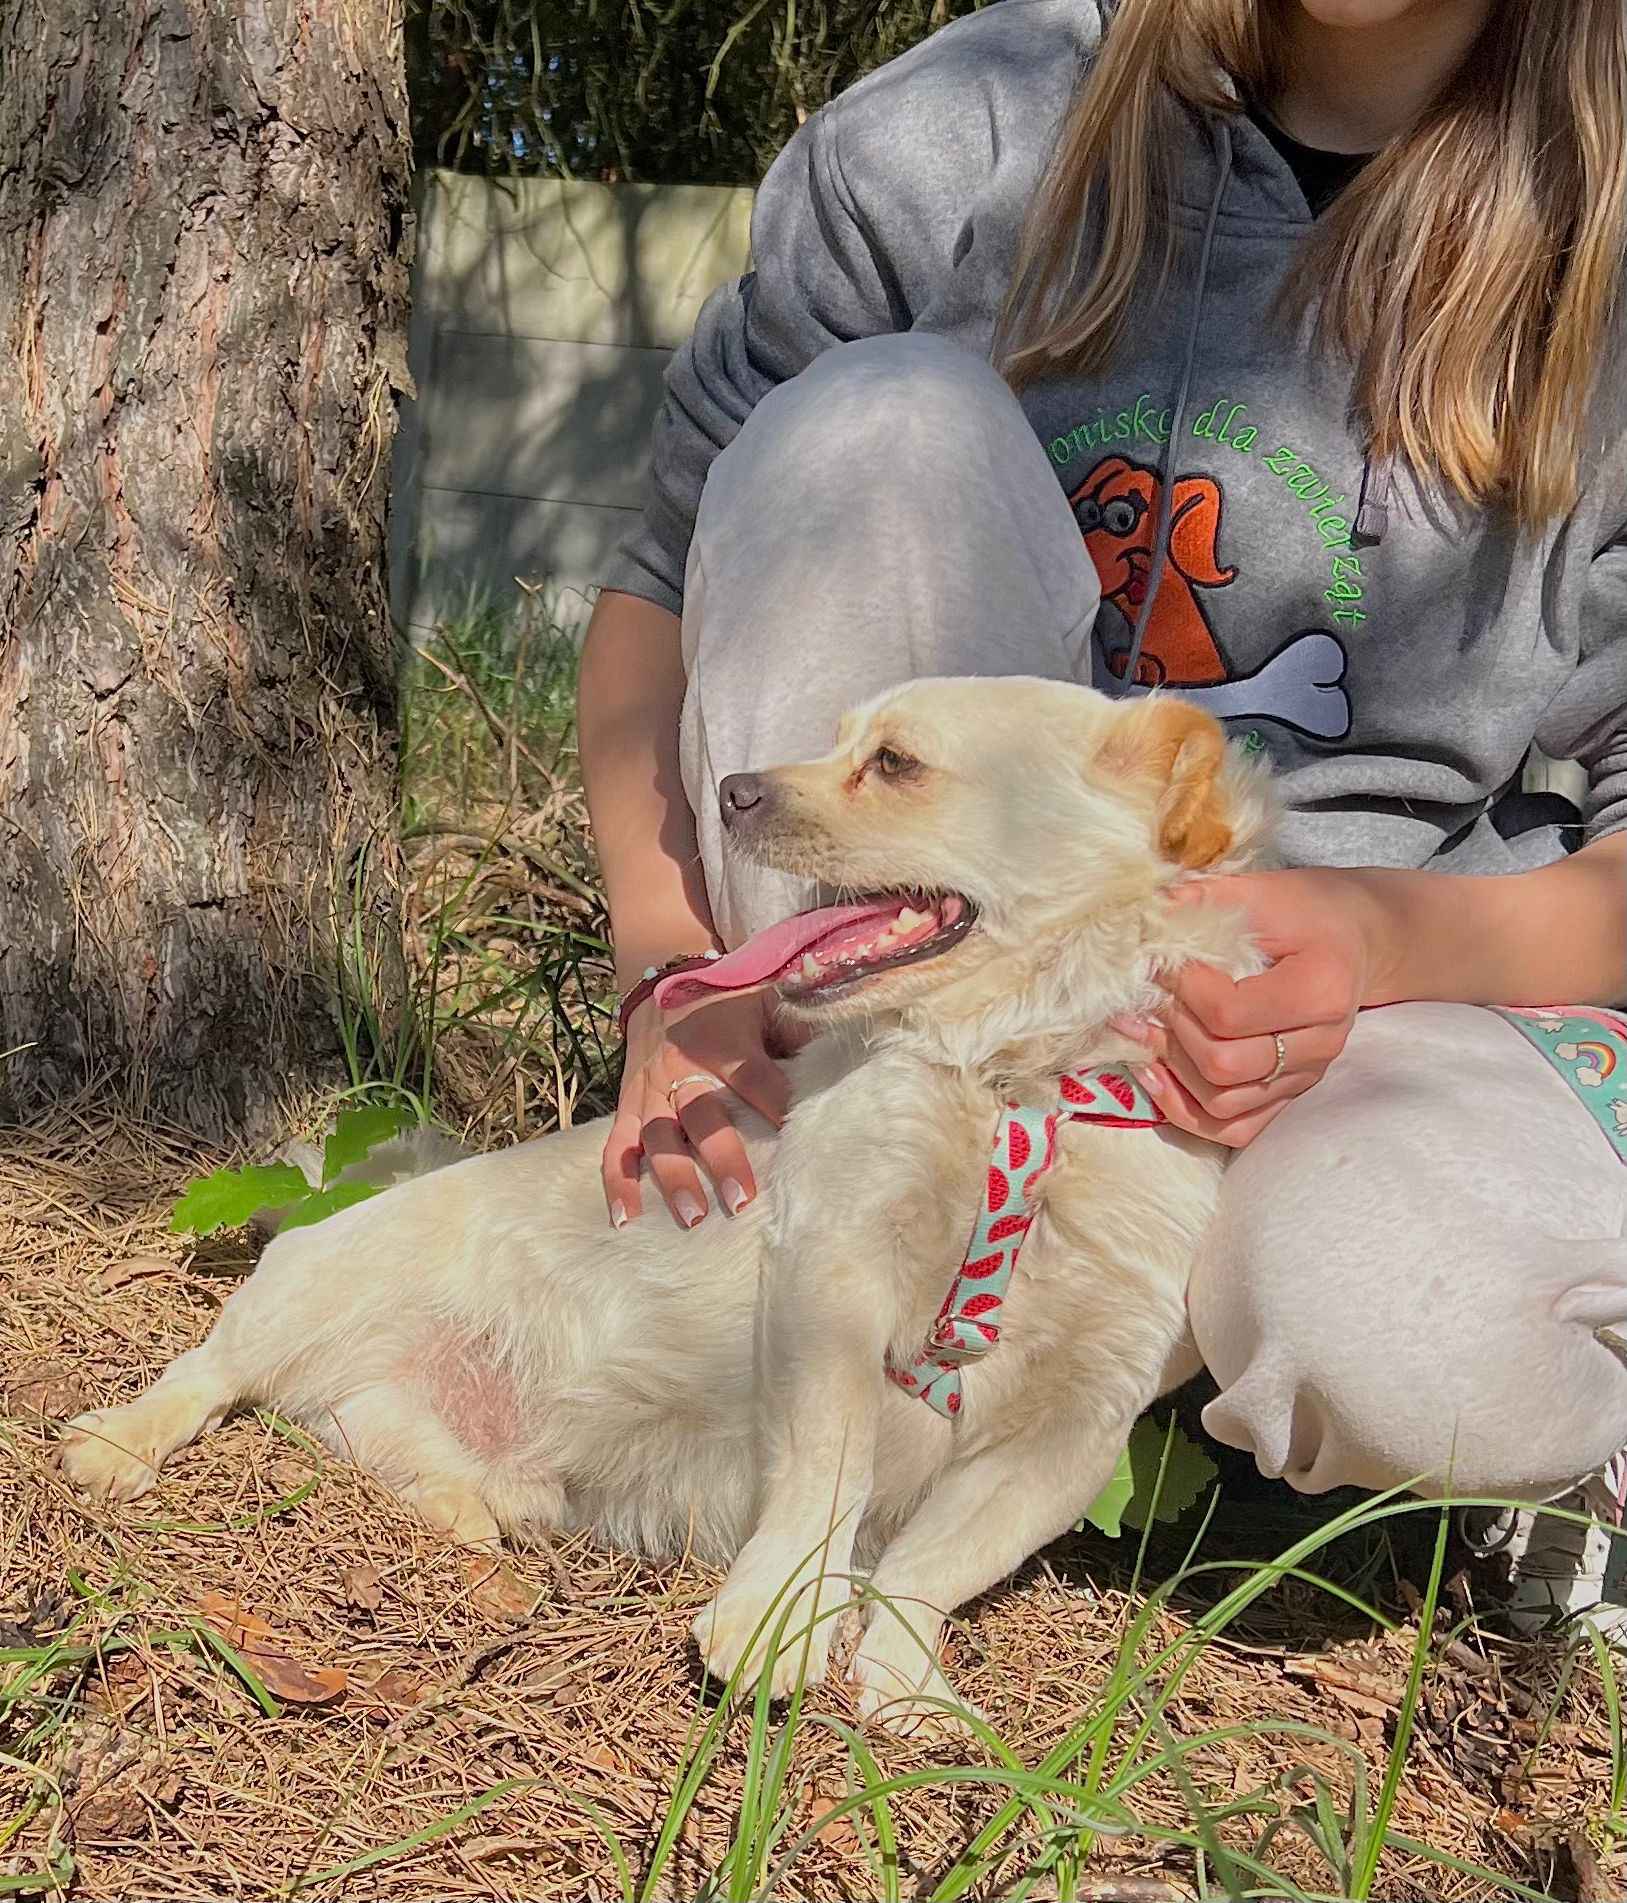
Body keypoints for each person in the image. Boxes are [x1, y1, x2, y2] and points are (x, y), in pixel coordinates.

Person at [577, 0, 1627, 1623]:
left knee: (1431, 1341)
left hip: (1320, 1045)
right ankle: (848, 1299)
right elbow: (663, 580)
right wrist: (669, 967)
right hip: (908, 1003)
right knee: (875, 425)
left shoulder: (1605, 258)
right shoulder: (976, 123)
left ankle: (1385, 1414)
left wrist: (1376, 932)